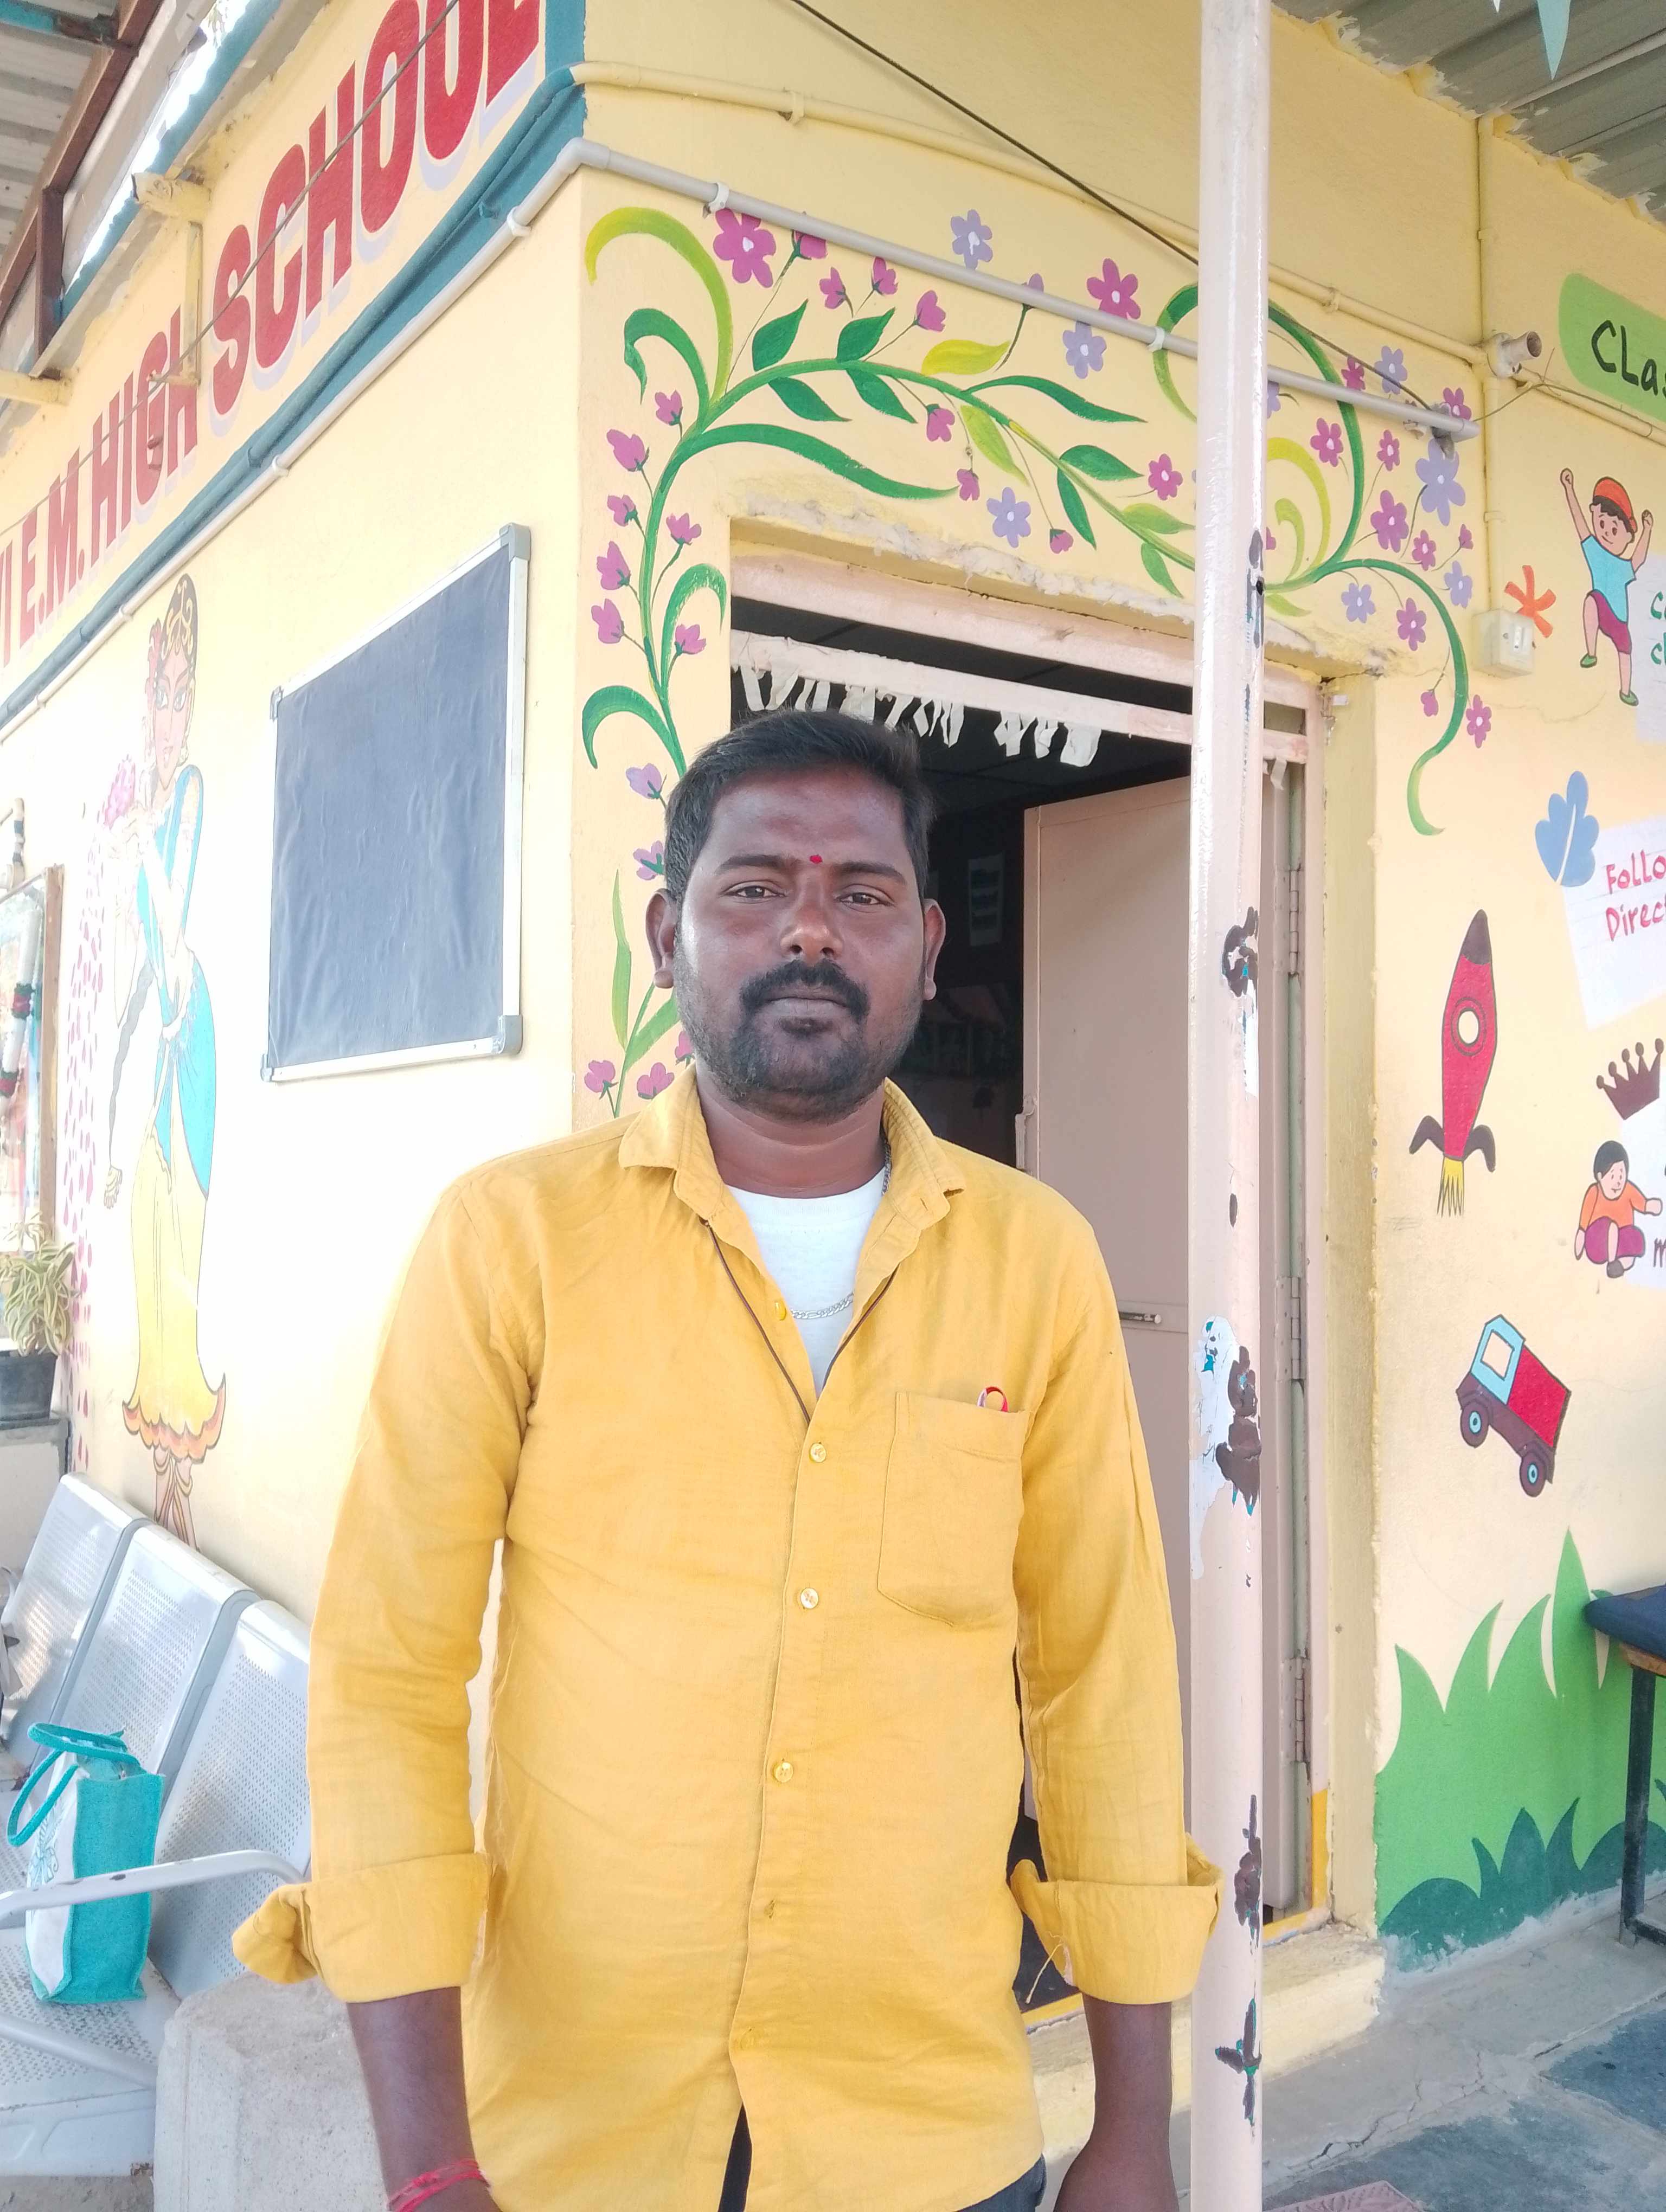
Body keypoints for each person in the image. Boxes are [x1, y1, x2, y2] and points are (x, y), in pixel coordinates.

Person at [238, 711, 1219, 2212]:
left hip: (927, 2133)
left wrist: (1135, 2129)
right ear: (667, 935)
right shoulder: (513, 1240)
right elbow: (387, 1672)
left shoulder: (1037, 1261)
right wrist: (430, 2167)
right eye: (755, 886)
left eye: (861, 892)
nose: (809, 929)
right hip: (576, 2131)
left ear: (927, 947)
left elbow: (1103, 1677)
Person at [102, 574, 223, 1542]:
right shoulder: (146, 801)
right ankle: (163, 1475)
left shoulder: (185, 797)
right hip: (156, 1039)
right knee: (145, 1230)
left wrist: (145, 848)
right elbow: (139, 964)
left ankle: (180, 1465)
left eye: (182, 697)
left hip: (191, 1036)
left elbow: (176, 949)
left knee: (177, 1239)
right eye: (160, 697)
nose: (169, 718)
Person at [1561, 467, 1654, 706]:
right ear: (1595, 515)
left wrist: (1647, 531)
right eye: (1602, 524)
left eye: (1614, 529)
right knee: (1591, 600)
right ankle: (1591, 653)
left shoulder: (1623, 567)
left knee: (1626, 650)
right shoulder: (1595, 553)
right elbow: (1580, 524)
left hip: (1620, 620)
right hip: (1601, 608)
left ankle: (1626, 691)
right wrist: (1569, 489)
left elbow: (1639, 558)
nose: (1607, 533)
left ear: (1627, 537)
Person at [1574, 1139, 1661, 1278]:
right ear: (1600, 1176)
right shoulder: (1594, 1192)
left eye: (1621, 1175)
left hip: (1620, 1242)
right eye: (1613, 1176)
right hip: (1597, 1244)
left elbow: (1643, 1204)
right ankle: (1612, 1262)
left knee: (1635, 1237)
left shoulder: (1628, 1189)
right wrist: (1578, 1247)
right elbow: (1583, 1227)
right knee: (1611, 1226)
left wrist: (1651, 1206)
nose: (1618, 1182)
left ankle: (1619, 1265)